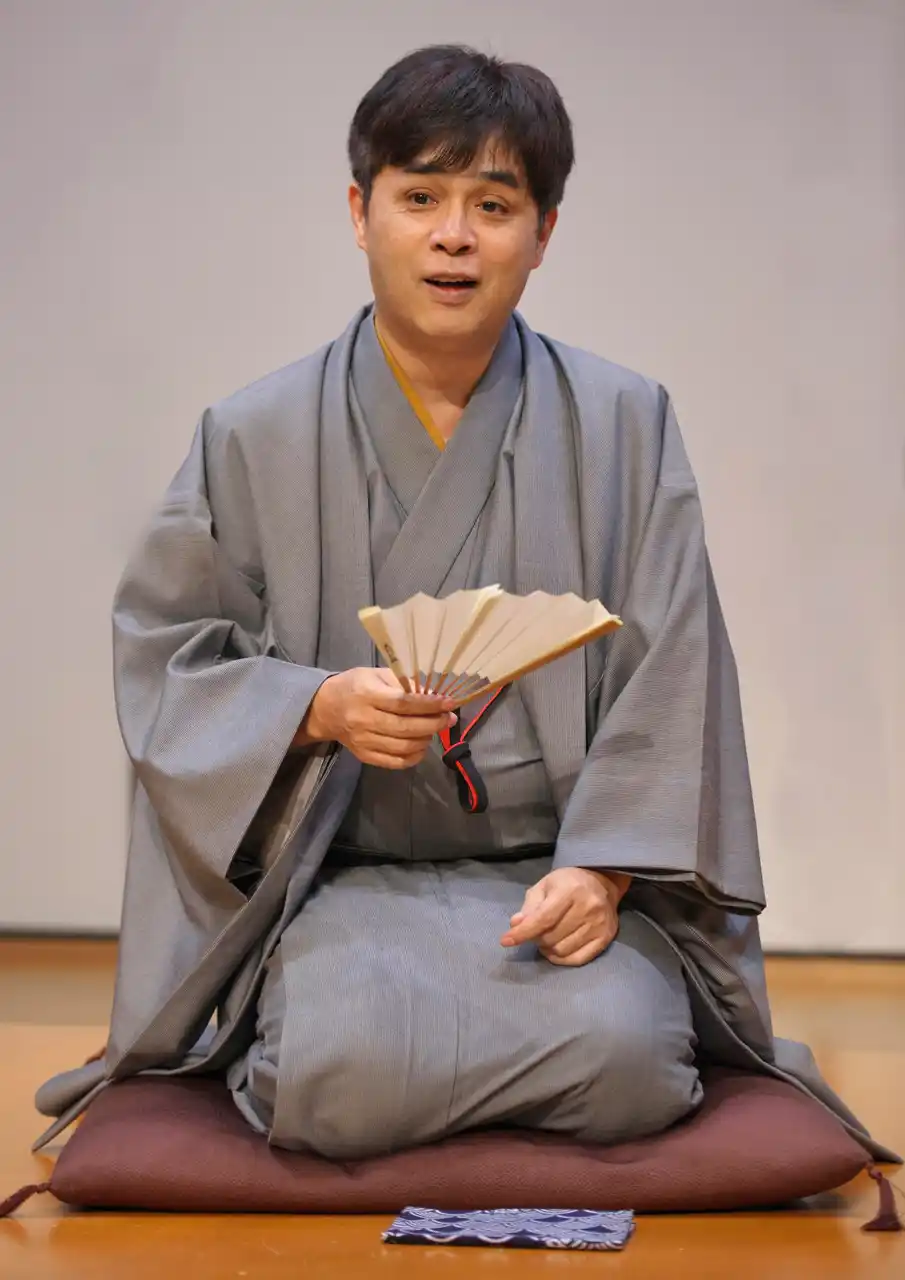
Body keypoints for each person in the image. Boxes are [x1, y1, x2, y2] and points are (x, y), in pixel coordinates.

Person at [34, 45, 890, 1163]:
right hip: (338, 876)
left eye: (493, 205)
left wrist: (602, 871)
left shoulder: (624, 423)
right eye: (420, 197)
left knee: (633, 1063)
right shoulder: (253, 434)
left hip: (549, 874)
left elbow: (672, 670)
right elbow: (168, 655)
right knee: (327, 1067)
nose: (453, 237)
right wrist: (315, 706)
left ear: (542, 232)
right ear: (360, 212)